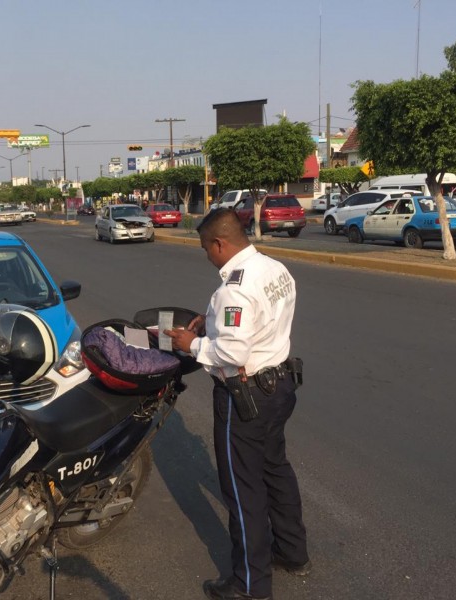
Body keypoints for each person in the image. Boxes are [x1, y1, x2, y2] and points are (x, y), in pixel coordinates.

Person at [165, 209, 309, 600]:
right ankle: (293, 551)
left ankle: (250, 585)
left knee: (244, 490)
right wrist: (209, 324)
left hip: (245, 398)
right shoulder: (274, 268)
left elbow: (232, 350)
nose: (206, 256)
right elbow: (256, 324)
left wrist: (190, 344)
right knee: (275, 470)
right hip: (279, 386)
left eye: (205, 249)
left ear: (219, 244)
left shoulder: (235, 288)